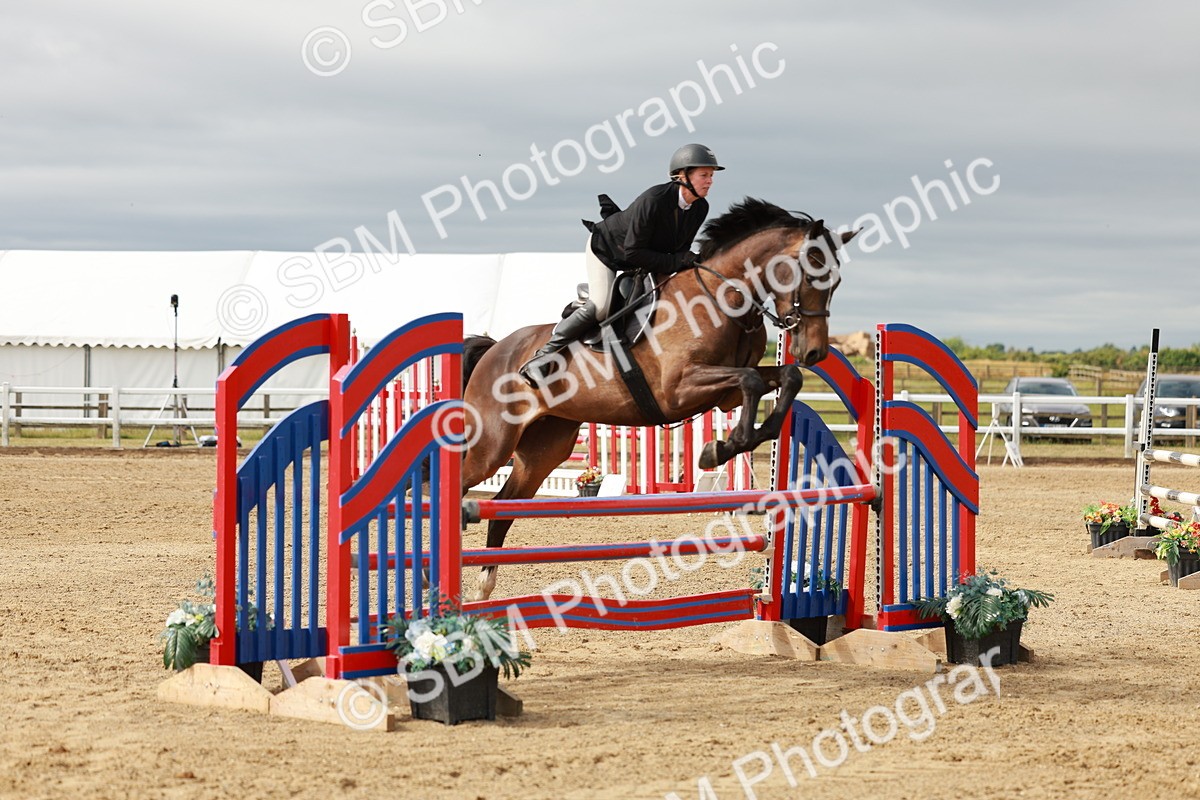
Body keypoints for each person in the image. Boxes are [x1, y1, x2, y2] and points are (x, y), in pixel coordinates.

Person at [519, 143, 724, 385]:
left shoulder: (700, 207)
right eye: (704, 175)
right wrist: (678, 259)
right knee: (601, 307)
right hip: (607, 250)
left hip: (641, 256)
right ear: (682, 175)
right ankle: (543, 355)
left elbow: (677, 250)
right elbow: (634, 252)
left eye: (711, 175)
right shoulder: (654, 200)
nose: (709, 181)